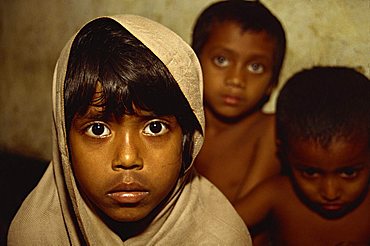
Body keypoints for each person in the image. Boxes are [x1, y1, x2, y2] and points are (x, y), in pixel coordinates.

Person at [7, 15, 252, 245]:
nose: (127, 158)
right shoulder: (35, 233)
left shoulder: (221, 237)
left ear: (188, 139)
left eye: (155, 128)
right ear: (64, 141)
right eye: (98, 129)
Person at [235, 66, 370, 245]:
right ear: (284, 153)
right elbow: (211, 228)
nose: (330, 192)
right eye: (310, 173)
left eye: (349, 173)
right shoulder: (277, 195)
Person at [191, 0, 286, 203]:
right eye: (221, 60)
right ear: (193, 62)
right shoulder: (177, 120)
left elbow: (240, 222)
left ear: (272, 82)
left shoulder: (269, 131)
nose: (236, 80)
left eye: (255, 67)